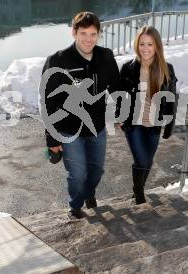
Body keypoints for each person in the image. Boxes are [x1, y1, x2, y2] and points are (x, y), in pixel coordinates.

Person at [40, 11, 120, 219]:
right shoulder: (57, 61)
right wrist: (52, 138)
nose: (88, 39)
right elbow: (49, 102)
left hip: (97, 127)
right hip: (69, 131)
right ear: (73, 32)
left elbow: (117, 87)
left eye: (93, 34)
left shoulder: (105, 56)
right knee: (77, 174)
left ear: (99, 35)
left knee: (96, 170)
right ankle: (75, 206)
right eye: (83, 33)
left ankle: (89, 193)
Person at [118, 26, 178, 204]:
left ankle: (138, 188)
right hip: (133, 123)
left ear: (157, 46)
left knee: (148, 161)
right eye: (142, 44)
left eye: (150, 44)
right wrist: (120, 116)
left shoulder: (167, 69)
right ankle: (139, 194)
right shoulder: (128, 68)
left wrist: (169, 125)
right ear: (137, 45)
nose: (145, 48)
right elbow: (119, 96)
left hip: (155, 124)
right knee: (142, 160)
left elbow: (171, 99)